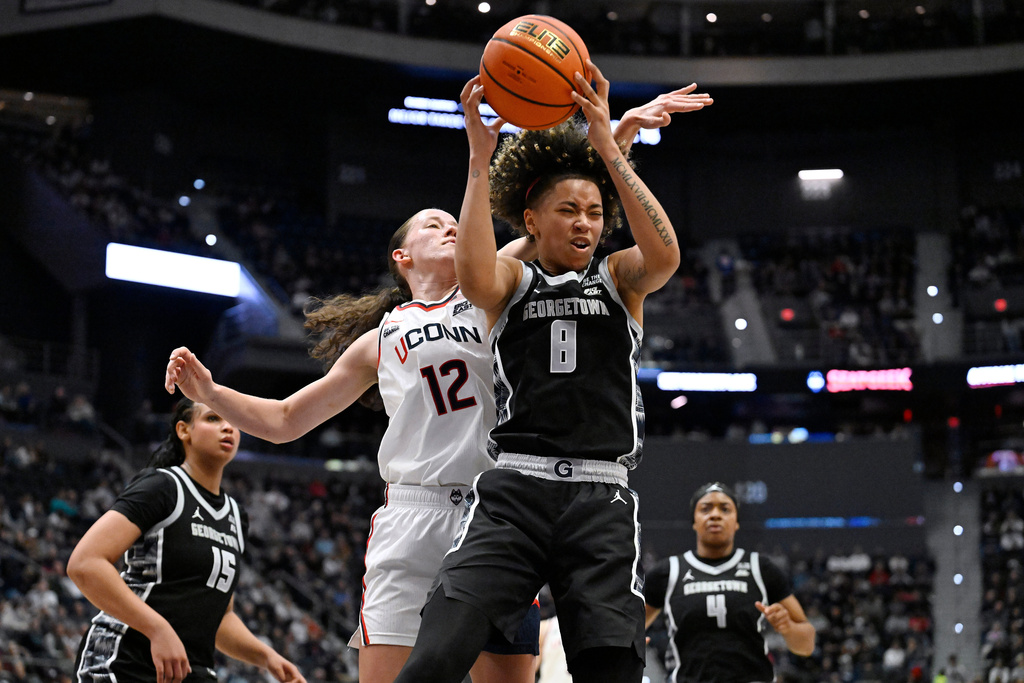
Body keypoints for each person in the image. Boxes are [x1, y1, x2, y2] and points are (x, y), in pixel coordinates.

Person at [163, 84, 712, 683]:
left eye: (457, 222)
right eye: (433, 224)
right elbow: (287, 420)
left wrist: (617, 141)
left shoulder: (501, 285)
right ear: (402, 256)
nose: (451, 227)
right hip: (415, 511)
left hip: (502, 504)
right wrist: (213, 395)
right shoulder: (382, 337)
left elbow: (569, 219)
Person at [393, 63, 711, 683]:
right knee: (435, 655)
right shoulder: (513, 281)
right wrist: (479, 161)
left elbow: (665, 253)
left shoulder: (619, 278)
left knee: (612, 669)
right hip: (516, 491)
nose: (586, 223)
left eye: (595, 212)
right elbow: (475, 275)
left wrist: (608, 145)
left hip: (601, 495)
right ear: (533, 221)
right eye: (568, 210)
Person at [68, 398, 305, 683]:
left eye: (234, 421)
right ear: (184, 430)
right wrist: (157, 628)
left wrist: (266, 657)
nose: (228, 427)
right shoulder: (162, 487)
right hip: (125, 658)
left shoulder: (236, 515)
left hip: (189, 669)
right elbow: (85, 563)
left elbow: (220, 618)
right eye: (213, 419)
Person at [643, 482, 816, 683]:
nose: (715, 515)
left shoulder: (760, 568)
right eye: (705, 508)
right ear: (694, 521)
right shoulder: (668, 571)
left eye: (725, 509)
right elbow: (632, 629)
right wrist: (632, 645)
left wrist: (788, 628)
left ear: (736, 522)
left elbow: (807, 645)